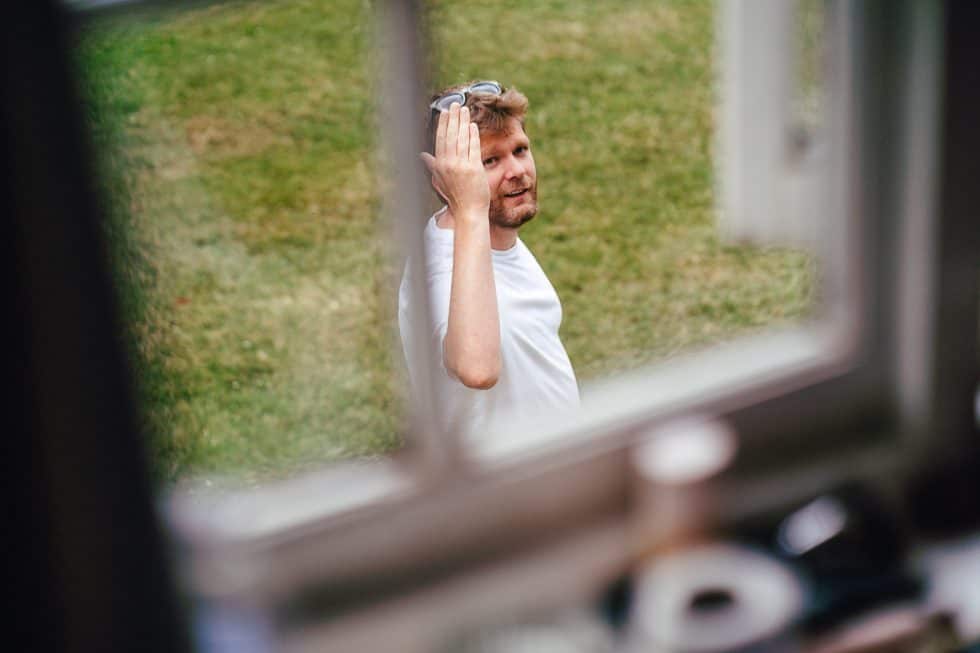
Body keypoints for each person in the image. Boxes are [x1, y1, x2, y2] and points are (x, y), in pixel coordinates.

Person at [399, 81, 579, 438]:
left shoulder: (495, 238)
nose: (517, 171)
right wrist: (471, 209)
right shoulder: (440, 273)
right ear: (442, 179)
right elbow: (477, 369)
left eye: (520, 150)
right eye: (490, 161)